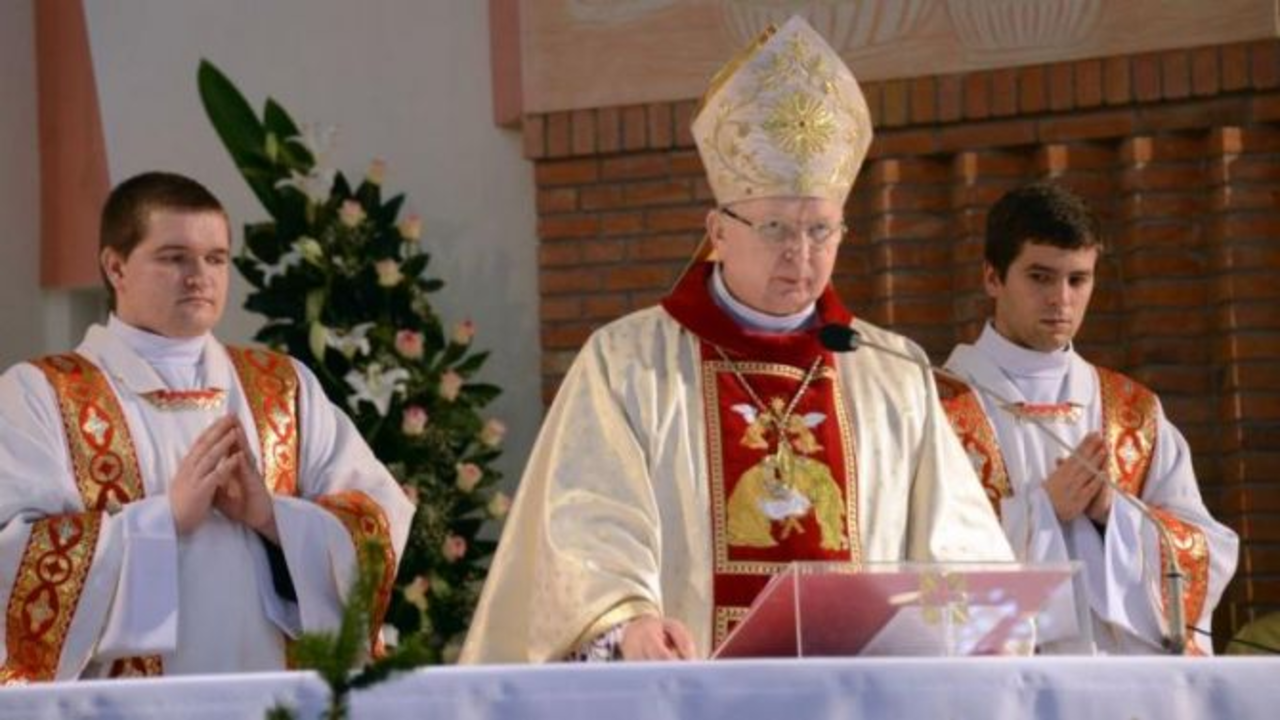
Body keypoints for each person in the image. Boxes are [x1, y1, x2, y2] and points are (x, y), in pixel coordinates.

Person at [461, 16, 1012, 665]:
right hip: (690, 692)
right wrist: (627, 622)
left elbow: (960, 549)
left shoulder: (892, 371)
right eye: (775, 227)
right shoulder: (629, 363)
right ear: (718, 232)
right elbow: (588, 526)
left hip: (858, 700)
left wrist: (974, 628)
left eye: (822, 230)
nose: (800, 253)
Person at [0, 172, 414, 682]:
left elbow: (376, 519)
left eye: (216, 258)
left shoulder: (284, 388)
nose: (200, 276)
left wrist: (271, 518)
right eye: (175, 257)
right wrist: (164, 520)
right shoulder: (42, 394)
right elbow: (11, 557)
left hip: (273, 700)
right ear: (115, 267)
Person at [940, 181, 1238, 654]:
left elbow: (1208, 552)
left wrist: (1115, 514)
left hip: (1128, 678)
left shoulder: (1132, 410)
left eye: (1078, 280)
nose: (1061, 300)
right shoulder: (937, 408)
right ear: (993, 278)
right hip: (1006, 677)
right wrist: (1042, 512)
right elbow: (913, 561)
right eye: (1040, 277)